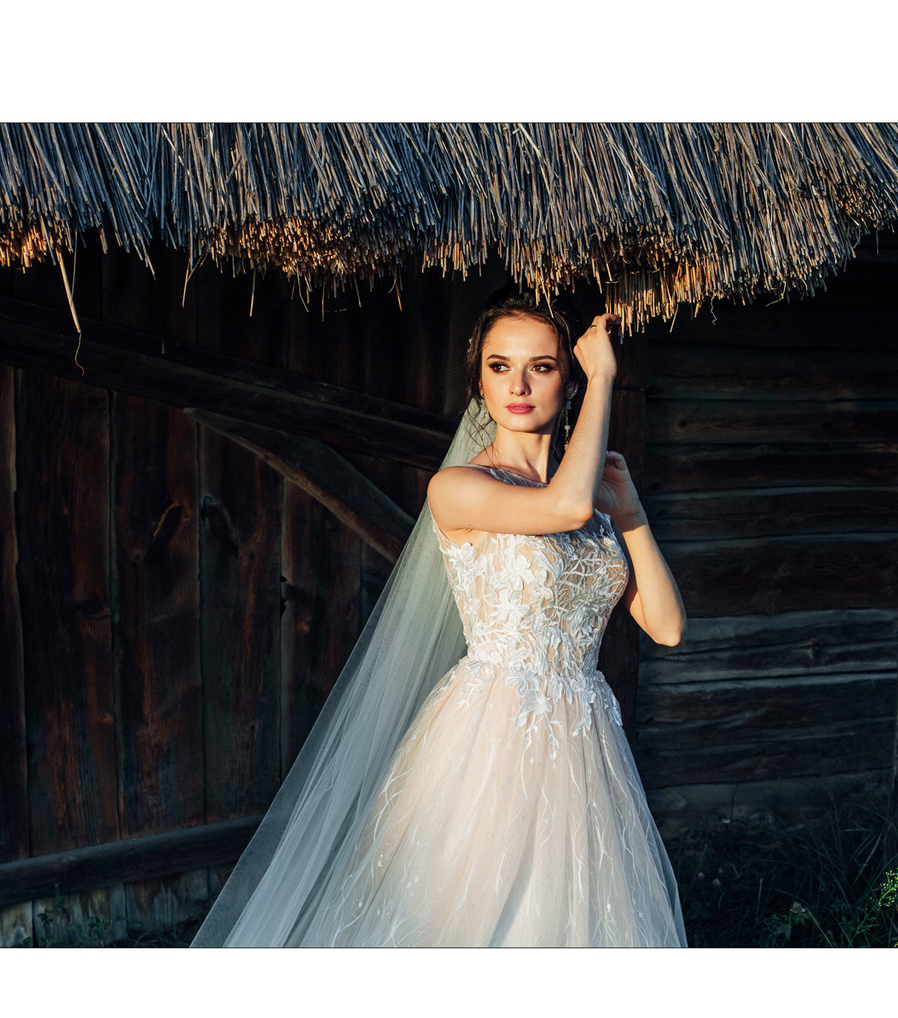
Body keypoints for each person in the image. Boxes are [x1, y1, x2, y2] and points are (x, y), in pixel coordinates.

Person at [193, 302, 689, 946]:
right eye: (499, 367)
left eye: (541, 367)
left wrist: (630, 515)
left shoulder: (586, 500)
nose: (518, 385)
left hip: (584, 737)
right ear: (479, 382)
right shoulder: (457, 487)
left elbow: (667, 626)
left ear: (565, 385)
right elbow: (563, 508)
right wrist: (605, 379)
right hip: (493, 733)